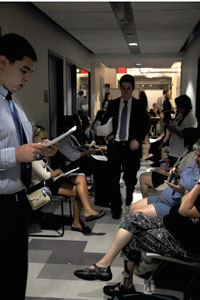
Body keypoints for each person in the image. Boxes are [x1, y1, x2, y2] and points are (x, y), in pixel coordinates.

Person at [74, 177, 200, 298]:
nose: (196, 158)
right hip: (173, 225)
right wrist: (185, 194)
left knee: (133, 236)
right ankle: (105, 265)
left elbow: (183, 209)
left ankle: (121, 281)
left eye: (199, 156)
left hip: (185, 243)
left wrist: (198, 186)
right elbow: (186, 203)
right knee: (132, 218)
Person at [0, 33, 57, 299]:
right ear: (2, 62)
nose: (27, 78)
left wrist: (40, 149)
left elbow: (22, 145)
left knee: (16, 275)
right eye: (23, 70)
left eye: (30, 72)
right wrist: (15, 154)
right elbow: (14, 152)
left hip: (17, 202)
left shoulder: (13, 102)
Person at [31, 125, 106, 233]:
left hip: (50, 181)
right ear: (34, 138)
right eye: (42, 138)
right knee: (81, 191)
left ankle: (87, 211)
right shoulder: (32, 154)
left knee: (80, 178)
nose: (45, 141)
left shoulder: (40, 152)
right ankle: (81, 217)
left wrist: (59, 173)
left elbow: (47, 171)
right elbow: (45, 176)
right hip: (41, 187)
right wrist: (58, 172)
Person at [101, 74, 150, 218]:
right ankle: (116, 207)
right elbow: (105, 122)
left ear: (133, 89)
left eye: (128, 88)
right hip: (115, 146)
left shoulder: (139, 105)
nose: (125, 91)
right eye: (123, 88)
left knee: (130, 178)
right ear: (120, 88)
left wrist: (138, 139)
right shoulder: (113, 104)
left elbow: (145, 125)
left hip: (131, 147)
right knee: (113, 179)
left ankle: (129, 193)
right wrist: (108, 134)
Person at [130, 138, 200, 217]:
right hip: (164, 197)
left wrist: (183, 191)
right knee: (132, 207)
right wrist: (175, 172)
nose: (195, 158)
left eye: (199, 156)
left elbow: (190, 202)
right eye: (196, 155)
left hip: (171, 205)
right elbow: (181, 172)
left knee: (134, 215)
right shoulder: (193, 163)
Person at [53, 115, 110, 207]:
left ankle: (105, 196)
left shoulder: (69, 136)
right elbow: (73, 156)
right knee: (100, 167)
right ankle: (101, 199)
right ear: (66, 126)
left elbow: (76, 149)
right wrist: (88, 151)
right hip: (72, 165)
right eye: (72, 125)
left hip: (78, 160)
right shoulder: (62, 140)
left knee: (104, 164)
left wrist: (85, 147)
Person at [166, 94, 198, 167]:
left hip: (181, 152)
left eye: (178, 106)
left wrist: (174, 130)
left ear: (184, 106)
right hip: (175, 150)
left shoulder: (190, 119)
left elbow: (187, 137)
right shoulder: (181, 115)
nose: (177, 108)